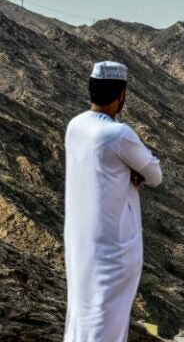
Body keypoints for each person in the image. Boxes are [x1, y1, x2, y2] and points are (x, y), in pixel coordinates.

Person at [64, 61, 162, 341]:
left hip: (81, 242)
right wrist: (136, 172)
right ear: (121, 95)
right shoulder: (118, 134)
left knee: (83, 311)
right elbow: (154, 174)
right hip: (113, 248)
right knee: (108, 318)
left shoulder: (75, 126)